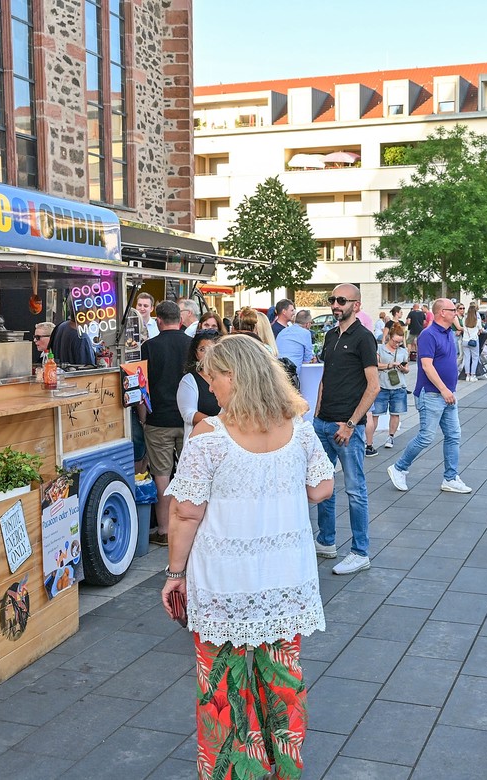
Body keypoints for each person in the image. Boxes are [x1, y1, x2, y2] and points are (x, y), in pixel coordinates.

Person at [160, 334, 333, 780]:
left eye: (213, 377)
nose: (208, 385)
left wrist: (174, 574)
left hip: (224, 582)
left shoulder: (210, 436)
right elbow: (321, 488)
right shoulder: (298, 426)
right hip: (285, 579)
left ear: (233, 377)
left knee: (223, 689)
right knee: (283, 685)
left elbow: (184, 513)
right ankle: (285, 770)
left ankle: (238, 773)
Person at [313, 283, 379, 575]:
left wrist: (352, 424)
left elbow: (373, 386)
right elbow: (325, 379)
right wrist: (316, 416)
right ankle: (326, 541)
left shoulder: (364, 338)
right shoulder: (329, 335)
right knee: (323, 487)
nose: (336, 304)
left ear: (357, 305)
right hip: (323, 424)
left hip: (346, 428)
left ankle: (360, 551)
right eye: (332, 299)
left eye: (342, 300)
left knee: (355, 490)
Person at [388, 297, 471, 495]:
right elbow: (426, 365)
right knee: (426, 436)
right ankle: (399, 468)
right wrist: (444, 389)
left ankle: (450, 478)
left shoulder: (449, 332)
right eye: (453, 309)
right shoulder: (428, 334)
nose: (457, 312)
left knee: (453, 435)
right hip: (433, 394)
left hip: (447, 394)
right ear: (442, 312)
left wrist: (448, 390)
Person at [141, 300, 192, 545]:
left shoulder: (149, 347)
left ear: (158, 320)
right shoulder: (192, 345)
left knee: (161, 476)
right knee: (189, 474)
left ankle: (164, 530)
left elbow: (143, 387)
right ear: (179, 320)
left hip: (158, 419)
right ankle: (189, 526)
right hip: (188, 418)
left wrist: (143, 417)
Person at [366, 325, 409, 456]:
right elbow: (375, 365)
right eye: (395, 341)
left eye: (399, 342)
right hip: (382, 386)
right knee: (375, 414)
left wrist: (403, 368)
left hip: (399, 386)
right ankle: (369, 442)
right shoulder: (380, 349)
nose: (397, 344)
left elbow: (407, 369)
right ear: (389, 337)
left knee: (396, 413)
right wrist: (390, 365)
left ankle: (391, 436)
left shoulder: (403, 352)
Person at [176, 330, 221, 440]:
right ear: (196, 354)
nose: (207, 354)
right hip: (201, 439)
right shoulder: (189, 380)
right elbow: (189, 414)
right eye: (202, 350)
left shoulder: (228, 377)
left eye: (212, 349)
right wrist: (218, 424)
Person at [460, 305, 483, 382]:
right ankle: (473, 375)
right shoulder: (477, 320)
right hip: (474, 340)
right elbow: (480, 329)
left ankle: (467, 375)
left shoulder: (464, 319)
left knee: (467, 358)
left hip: (465, 340)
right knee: (475, 358)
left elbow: (463, 328)